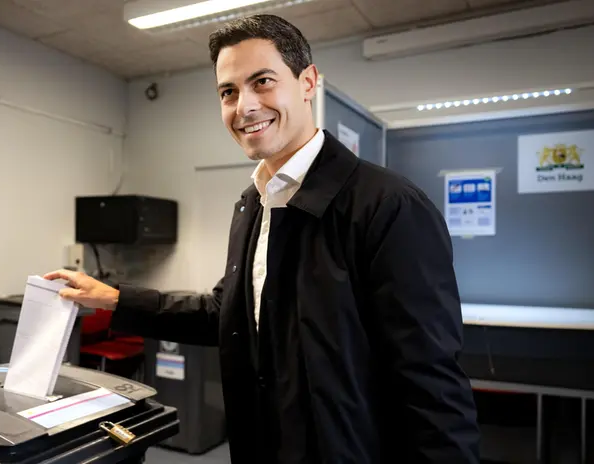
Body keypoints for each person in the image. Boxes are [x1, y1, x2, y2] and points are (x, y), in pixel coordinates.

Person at [43, 14, 480, 464]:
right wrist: (116, 299)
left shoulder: (388, 205)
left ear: (307, 82)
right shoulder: (254, 204)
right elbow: (226, 313)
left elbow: (430, 386)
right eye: (228, 92)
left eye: (263, 82)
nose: (244, 106)